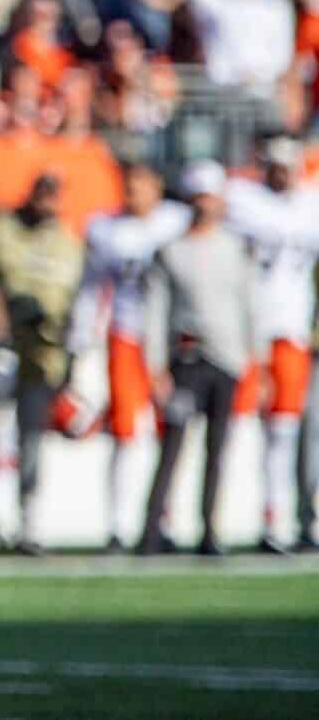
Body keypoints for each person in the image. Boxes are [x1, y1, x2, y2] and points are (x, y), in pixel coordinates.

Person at [140, 165, 256, 555]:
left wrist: (254, 358)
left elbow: (249, 306)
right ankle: (152, 529)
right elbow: (156, 312)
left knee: (217, 449)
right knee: (173, 445)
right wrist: (156, 365)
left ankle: (209, 530)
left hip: (226, 360)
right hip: (186, 360)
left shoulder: (236, 249)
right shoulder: (171, 251)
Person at [0, 174, 79, 554]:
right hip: (2, 346)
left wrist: (70, 354)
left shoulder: (67, 241)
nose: (46, 202)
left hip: (43, 353)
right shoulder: (4, 229)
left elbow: (73, 301)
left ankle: (28, 524)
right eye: (42, 194)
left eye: (53, 196)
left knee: (30, 441)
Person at [79, 161, 190, 547]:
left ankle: (164, 520)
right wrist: (82, 337)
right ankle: (119, 525)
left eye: (141, 184)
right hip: (127, 335)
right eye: (129, 184)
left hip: (172, 339)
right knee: (126, 433)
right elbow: (91, 288)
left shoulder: (176, 222)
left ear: (158, 186)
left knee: (169, 433)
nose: (133, 192)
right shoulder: (106, 228)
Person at [225, 144, 318, 554]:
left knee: (286, 429)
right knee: (239, 425)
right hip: (247, 331)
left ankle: (277, 518)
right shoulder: (243, 200)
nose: (282, 175)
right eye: (276, 167)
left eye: (288, 167)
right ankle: (232, 517)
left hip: (293, 330)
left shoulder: (310, 204)